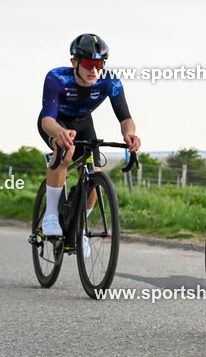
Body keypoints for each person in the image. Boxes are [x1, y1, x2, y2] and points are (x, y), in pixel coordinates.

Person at [37, 34, 140, 246]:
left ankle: (80, 227)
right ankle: (51, 215)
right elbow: (47, 120)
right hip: (56, 122)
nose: (94, 70)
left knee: (95, 175)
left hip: (84, 125)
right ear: (74, 62)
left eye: (99, 64)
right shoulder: (56, 78)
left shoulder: (110, 81)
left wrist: (129, 134)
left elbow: (126, 118)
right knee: (65, 150)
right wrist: (59, 133)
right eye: (88, 64)